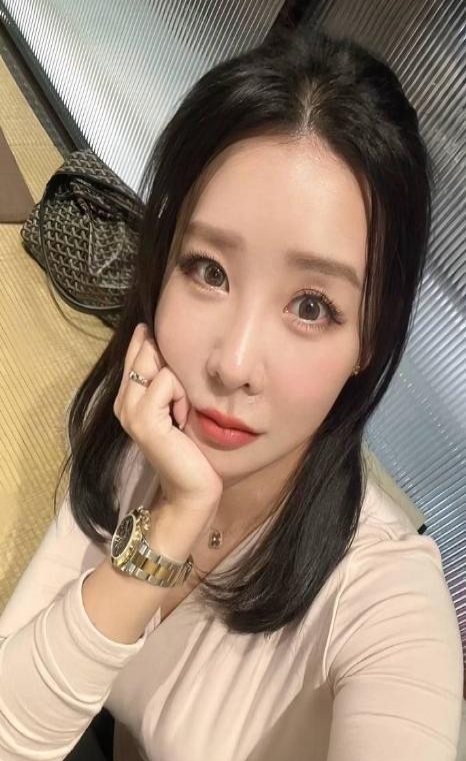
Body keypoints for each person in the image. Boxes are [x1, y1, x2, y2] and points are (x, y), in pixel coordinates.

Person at [0, 25, 463, 761]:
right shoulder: (144, 426)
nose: (234, 364)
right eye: (208, 269)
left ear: (370, 341)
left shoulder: (386, 606)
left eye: (311, 306)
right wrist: (171, 521)